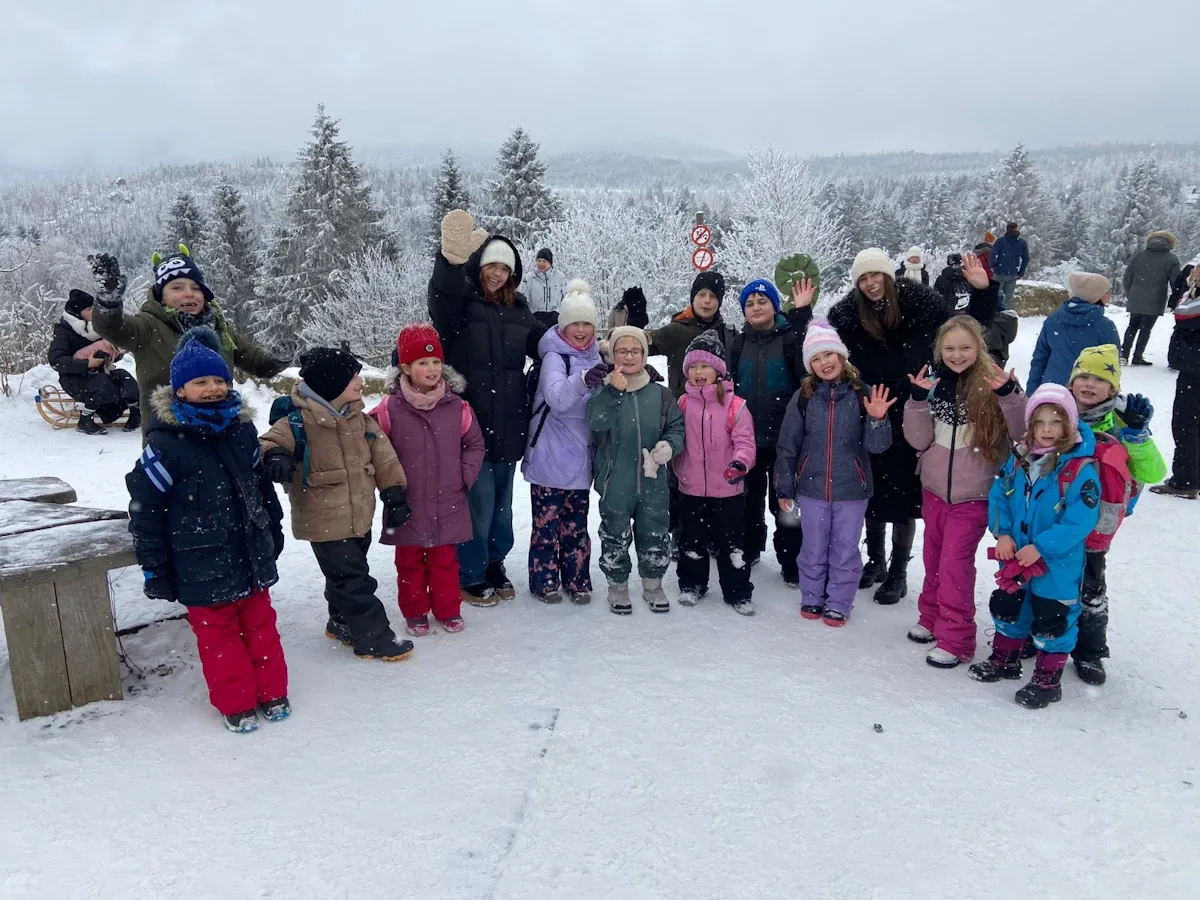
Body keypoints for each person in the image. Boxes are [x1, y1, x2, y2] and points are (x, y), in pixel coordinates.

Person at [125, 327, 288, 733]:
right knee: (219, 638)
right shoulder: (166, 445)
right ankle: (236, 703)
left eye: (219, 380)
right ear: (180, 391)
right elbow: (146, 513)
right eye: (201, 382)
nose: (213, 388)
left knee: (261, 627)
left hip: (248, 553)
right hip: (197, 563)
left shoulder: (241, 430)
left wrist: (273, 528)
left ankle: (273, 691)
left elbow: (260, 486)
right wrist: (155, 569)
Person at [260, 347, 414, 662]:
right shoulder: (298, 420)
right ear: (331, 383)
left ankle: (340, 620)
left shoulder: (361, 418)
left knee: (343, 574)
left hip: (359, 516)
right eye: (352, 377)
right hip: (323, 518)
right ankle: (373, 638)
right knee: (354, 580)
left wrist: (394, 492)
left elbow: (385, 459)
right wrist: (275, 456)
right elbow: (269, 442)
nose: (359, 382)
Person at [428, 210, 545, 605]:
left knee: (501, 506)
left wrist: (586, 346)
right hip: (471, 421)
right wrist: (449, 262)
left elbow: (545, 345)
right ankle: (471, 571)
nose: (497, 274)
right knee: (476, 504)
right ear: (479, 266)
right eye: (492, 265)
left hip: (510, 419)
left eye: (505, 268)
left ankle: (495, 561)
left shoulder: (520, 310)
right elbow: (441, 297)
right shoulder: (460, 304)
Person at [826, 248, 956, 604]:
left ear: (888, 275)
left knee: (902, 493)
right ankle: (876, 560)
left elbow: (963, 335)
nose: (871, 284)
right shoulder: (847, 316)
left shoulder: (921, 305)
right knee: (871, 486)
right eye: (863, 278)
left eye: (875, 275)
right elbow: (821, 350)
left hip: (912, 406)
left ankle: (898, 570)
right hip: (869, 405)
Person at [903, 316, 1027, 668]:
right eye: (950, 348)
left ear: (979, 348)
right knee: (934, 559)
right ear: (940, 349)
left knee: (955, 565)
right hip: (934, 490)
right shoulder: (936, 383)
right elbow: (919, 440)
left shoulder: (995, 383)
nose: (957, 355)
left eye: (965, 347)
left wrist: (1010, 396)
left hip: (974, 494)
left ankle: (957, 638)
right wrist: (916, 401)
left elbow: (1021, 433)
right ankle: (931, 618)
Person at [971, 385, 1101, 710]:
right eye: (1040, 421)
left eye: (1056, 422)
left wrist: (1042, 547)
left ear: (1069, 425)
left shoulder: (1078, 470)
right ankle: (1006, 658)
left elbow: (1080, 520)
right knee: (1010, 606)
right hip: (1015, 556)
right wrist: (1002, 533)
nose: (1046, 429)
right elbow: (1001, 495)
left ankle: (1047, 679)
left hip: (1057, 564)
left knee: (1052, 616)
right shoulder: (1019, 459)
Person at [88, 248, 287, 435]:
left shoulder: (220, 329)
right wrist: (108, 303)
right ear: (162, 298)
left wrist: (279, 359)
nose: (189, 293)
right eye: (177, 287)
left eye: (196, 287)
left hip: (223, 433)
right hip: (170, 437)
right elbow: (111, 328)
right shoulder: (148, 326)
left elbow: (256, 362)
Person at [774, 320, 895, 625]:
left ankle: (840, 601)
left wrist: (878, 420)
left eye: (828, 355)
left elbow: (878, 448)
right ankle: (812, 596)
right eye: (815, 358)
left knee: (845, 549)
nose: (824, 363)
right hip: (811, 489)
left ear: (842, 356)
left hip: (851, 490)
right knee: (812, 547)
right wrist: (784, 487)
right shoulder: (803, 397)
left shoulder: (861, 394)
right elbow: (788, 445)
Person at [374, 324, 485, 636]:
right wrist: (389, 483)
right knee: (409, 562)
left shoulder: (458, 407)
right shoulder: (388, 409)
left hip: (448, 498)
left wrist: (464, 475)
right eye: (423, 363)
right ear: (405, 368)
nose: (432, 369)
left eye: (436, 362)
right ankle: (415, 612)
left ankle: (448, 610)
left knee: (445, 561)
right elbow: (371, 444)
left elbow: (475, 444)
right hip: (407, 503)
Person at [1067, 344, 1165, 684]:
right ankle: (1045, 634)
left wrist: (1137, 435)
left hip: (1098, 523)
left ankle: (1090, 652)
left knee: (1091, 588)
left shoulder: (1123, 423)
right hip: (1057, 518)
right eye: (1084, 376)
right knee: (1047, 579)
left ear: (1114, 388)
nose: (1089, 384)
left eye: (1100, 378)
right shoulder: (1057, 412)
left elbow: (1153, 473)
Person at [587, 326, 685, 615]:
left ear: (645, 355)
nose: (628, 356)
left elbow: (676, 428)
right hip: (615, 479)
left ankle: (653, 584)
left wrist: (669, 446)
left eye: (635, 351)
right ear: (613, 354)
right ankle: (617, 587)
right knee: (614, 534)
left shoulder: (662, 394)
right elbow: (596, 422)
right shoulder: (604, 389)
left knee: (655, 532)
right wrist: (613, 392)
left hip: (653, 481)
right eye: (622, 351)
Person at [522, 280, 604, 605]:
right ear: (563, 325)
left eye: (587, 323)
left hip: (581, 458)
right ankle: (543, 581)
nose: (581, 330)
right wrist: (583, 380)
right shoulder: (555, 356)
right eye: (575, 324)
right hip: (549, 458)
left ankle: (577, 580)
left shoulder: (599, 355)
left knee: (576, 527)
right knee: (546, 527)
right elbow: (557, 398)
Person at [728, 277, 813, 586]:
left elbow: (806, 381)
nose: (756, 307)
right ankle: (750, 550)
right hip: (748, 439)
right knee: (747, 502)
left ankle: (791, 562)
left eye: (762, 301)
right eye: (749, 303)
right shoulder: (738, 343)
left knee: (785, 503)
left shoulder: (790, 339)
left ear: (774, 305)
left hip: (784, 441)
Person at [673, 331, 757, 615]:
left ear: (718, 370)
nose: (698, 372)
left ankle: (738, 591)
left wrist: (740, 463)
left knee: (731, 543)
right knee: (691, 539)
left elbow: (744, 442)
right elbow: (674, 436)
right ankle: (692, 584)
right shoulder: (683, 404)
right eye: (693, 367)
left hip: (727, 488)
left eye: (704, 366)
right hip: (691, 486)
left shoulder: (735, 405)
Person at [48, 288, 140, 435]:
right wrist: (86, 364)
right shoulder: (63, 331)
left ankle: (136, 415)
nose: (94, 313)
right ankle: (85, 421)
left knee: (125, 378)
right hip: (74, 377)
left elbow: (110, 352)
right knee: (102, 384)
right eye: (89, 309)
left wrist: (115, 353)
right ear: (77, 312)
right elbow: (56, 361)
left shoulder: (97, 328)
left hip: (100, 372)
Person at [1151, 264, 1200, 499]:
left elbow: (1183, 314)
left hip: (1195, 369)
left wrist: (1194, 288)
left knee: (1186, 424)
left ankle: (1185, 481)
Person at [1027, 272, 1121, 394]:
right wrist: (1112, 394)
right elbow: (1112, 366)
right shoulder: (1105, 327)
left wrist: (1032, 391)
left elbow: (1040, 358)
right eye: (1107, 293)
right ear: (1095, 295)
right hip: (1087, 394)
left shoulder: (1054, 320)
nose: (1109, 296)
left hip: (1051, 390)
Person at [647, 271, 736, 396]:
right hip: (682, 410)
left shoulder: (728, 334)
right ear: (693, 298)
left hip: (720, 411)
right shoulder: (675, 331)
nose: (707, 300)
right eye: (701, 295)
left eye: (713, 296)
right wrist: (635, 322)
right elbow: (637, 348)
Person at [1121, 231, 1182, 366]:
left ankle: (1123, 355)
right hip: (1156, 298)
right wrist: (1176, 299)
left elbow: (1127, 277)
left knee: (1132, 326)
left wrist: (1130, 292)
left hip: (1136, 296)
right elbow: (1175, 282)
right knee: (1145, 329)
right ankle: (1137, 357)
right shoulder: (1172, 259)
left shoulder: (1139, 256)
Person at [520, 247, 569, 329]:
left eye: (544, 261)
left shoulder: (560, 277)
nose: (541, 264)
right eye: (539, 261)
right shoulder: (529, 278)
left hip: (555, 318)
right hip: (535, 318)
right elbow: (524, 299)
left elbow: (567, 298)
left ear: (550, 263)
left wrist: (560, 313)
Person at [991, 222, 1029, 312]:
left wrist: (993, 265)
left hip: (999, 271)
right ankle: (1006, 316)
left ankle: (994, 313)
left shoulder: (1000, 241)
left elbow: (993, 254)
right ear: (1017, 229)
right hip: (1012, 273)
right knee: (1008, 297)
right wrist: (1021, 272)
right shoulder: (1022, 243)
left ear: (1007, 229)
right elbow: (1026, 259)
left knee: (995, 294)